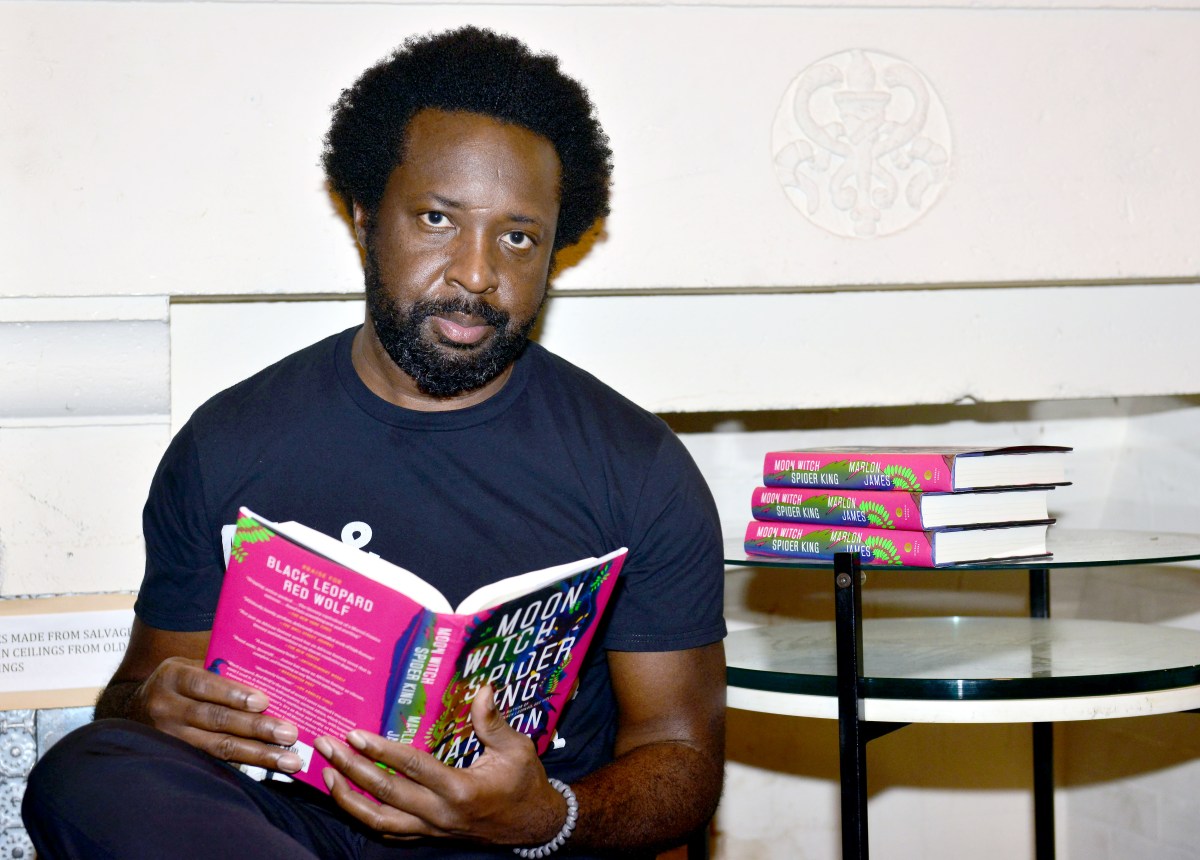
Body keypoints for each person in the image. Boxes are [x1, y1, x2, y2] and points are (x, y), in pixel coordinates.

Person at [22, 25, 726, 859]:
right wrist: (151, 706)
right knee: (84, 768)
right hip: (284, 833)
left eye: (518, 236)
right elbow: (140, 692)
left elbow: (683, 762)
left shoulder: (637, 468)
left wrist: (541, 817)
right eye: (437, 218)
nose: (475, 272)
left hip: (509, 844)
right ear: (363, 216)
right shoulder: (231, 441)